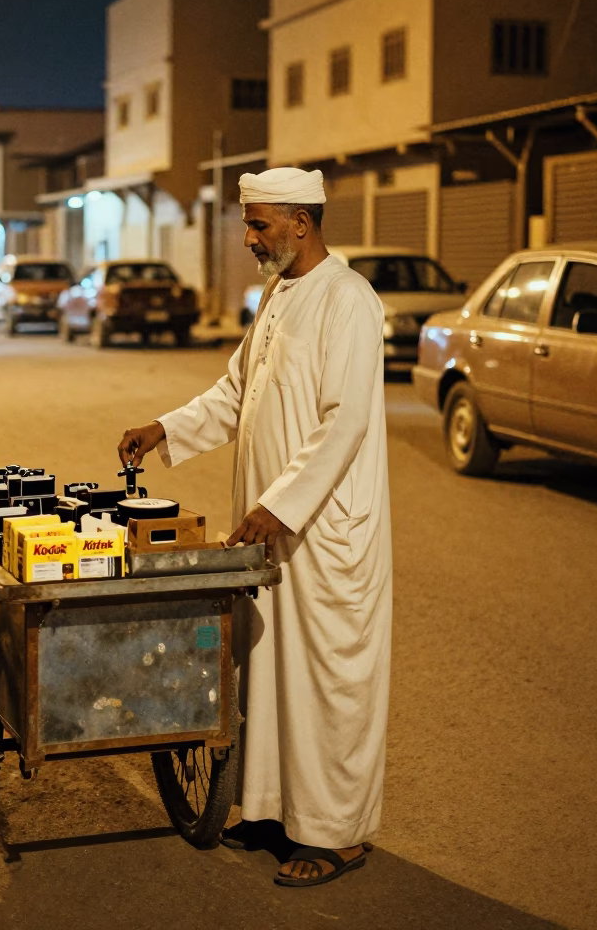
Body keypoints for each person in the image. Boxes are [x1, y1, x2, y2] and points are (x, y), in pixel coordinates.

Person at [118, 167, 392, 889]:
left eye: (261, 225)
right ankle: (272, 812)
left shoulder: (350, 300)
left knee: (329, 679)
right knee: (267, 671)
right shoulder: (278, 296)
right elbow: (236, 393)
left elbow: (347, 421)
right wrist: (164, 430)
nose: (249, 239)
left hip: (324, 530)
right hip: (274, 527)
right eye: (250, 224)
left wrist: (284, 502)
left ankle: (337, 837)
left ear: (302, 222)